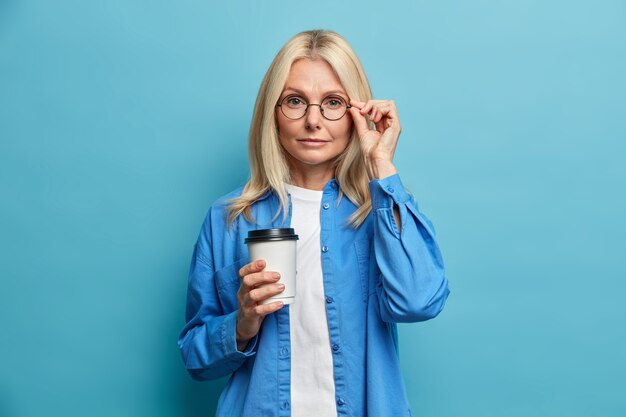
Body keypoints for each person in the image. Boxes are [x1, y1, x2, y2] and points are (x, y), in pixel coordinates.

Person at [178, 29, 450, 417]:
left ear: (358, 113)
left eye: (333, 103)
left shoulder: (382, 212)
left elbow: (420, 302)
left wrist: (382, 168)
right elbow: (194, 359)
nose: (312, 120)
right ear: (272, 112)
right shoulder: (229, 219)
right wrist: (242, 322)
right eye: (294, 101)